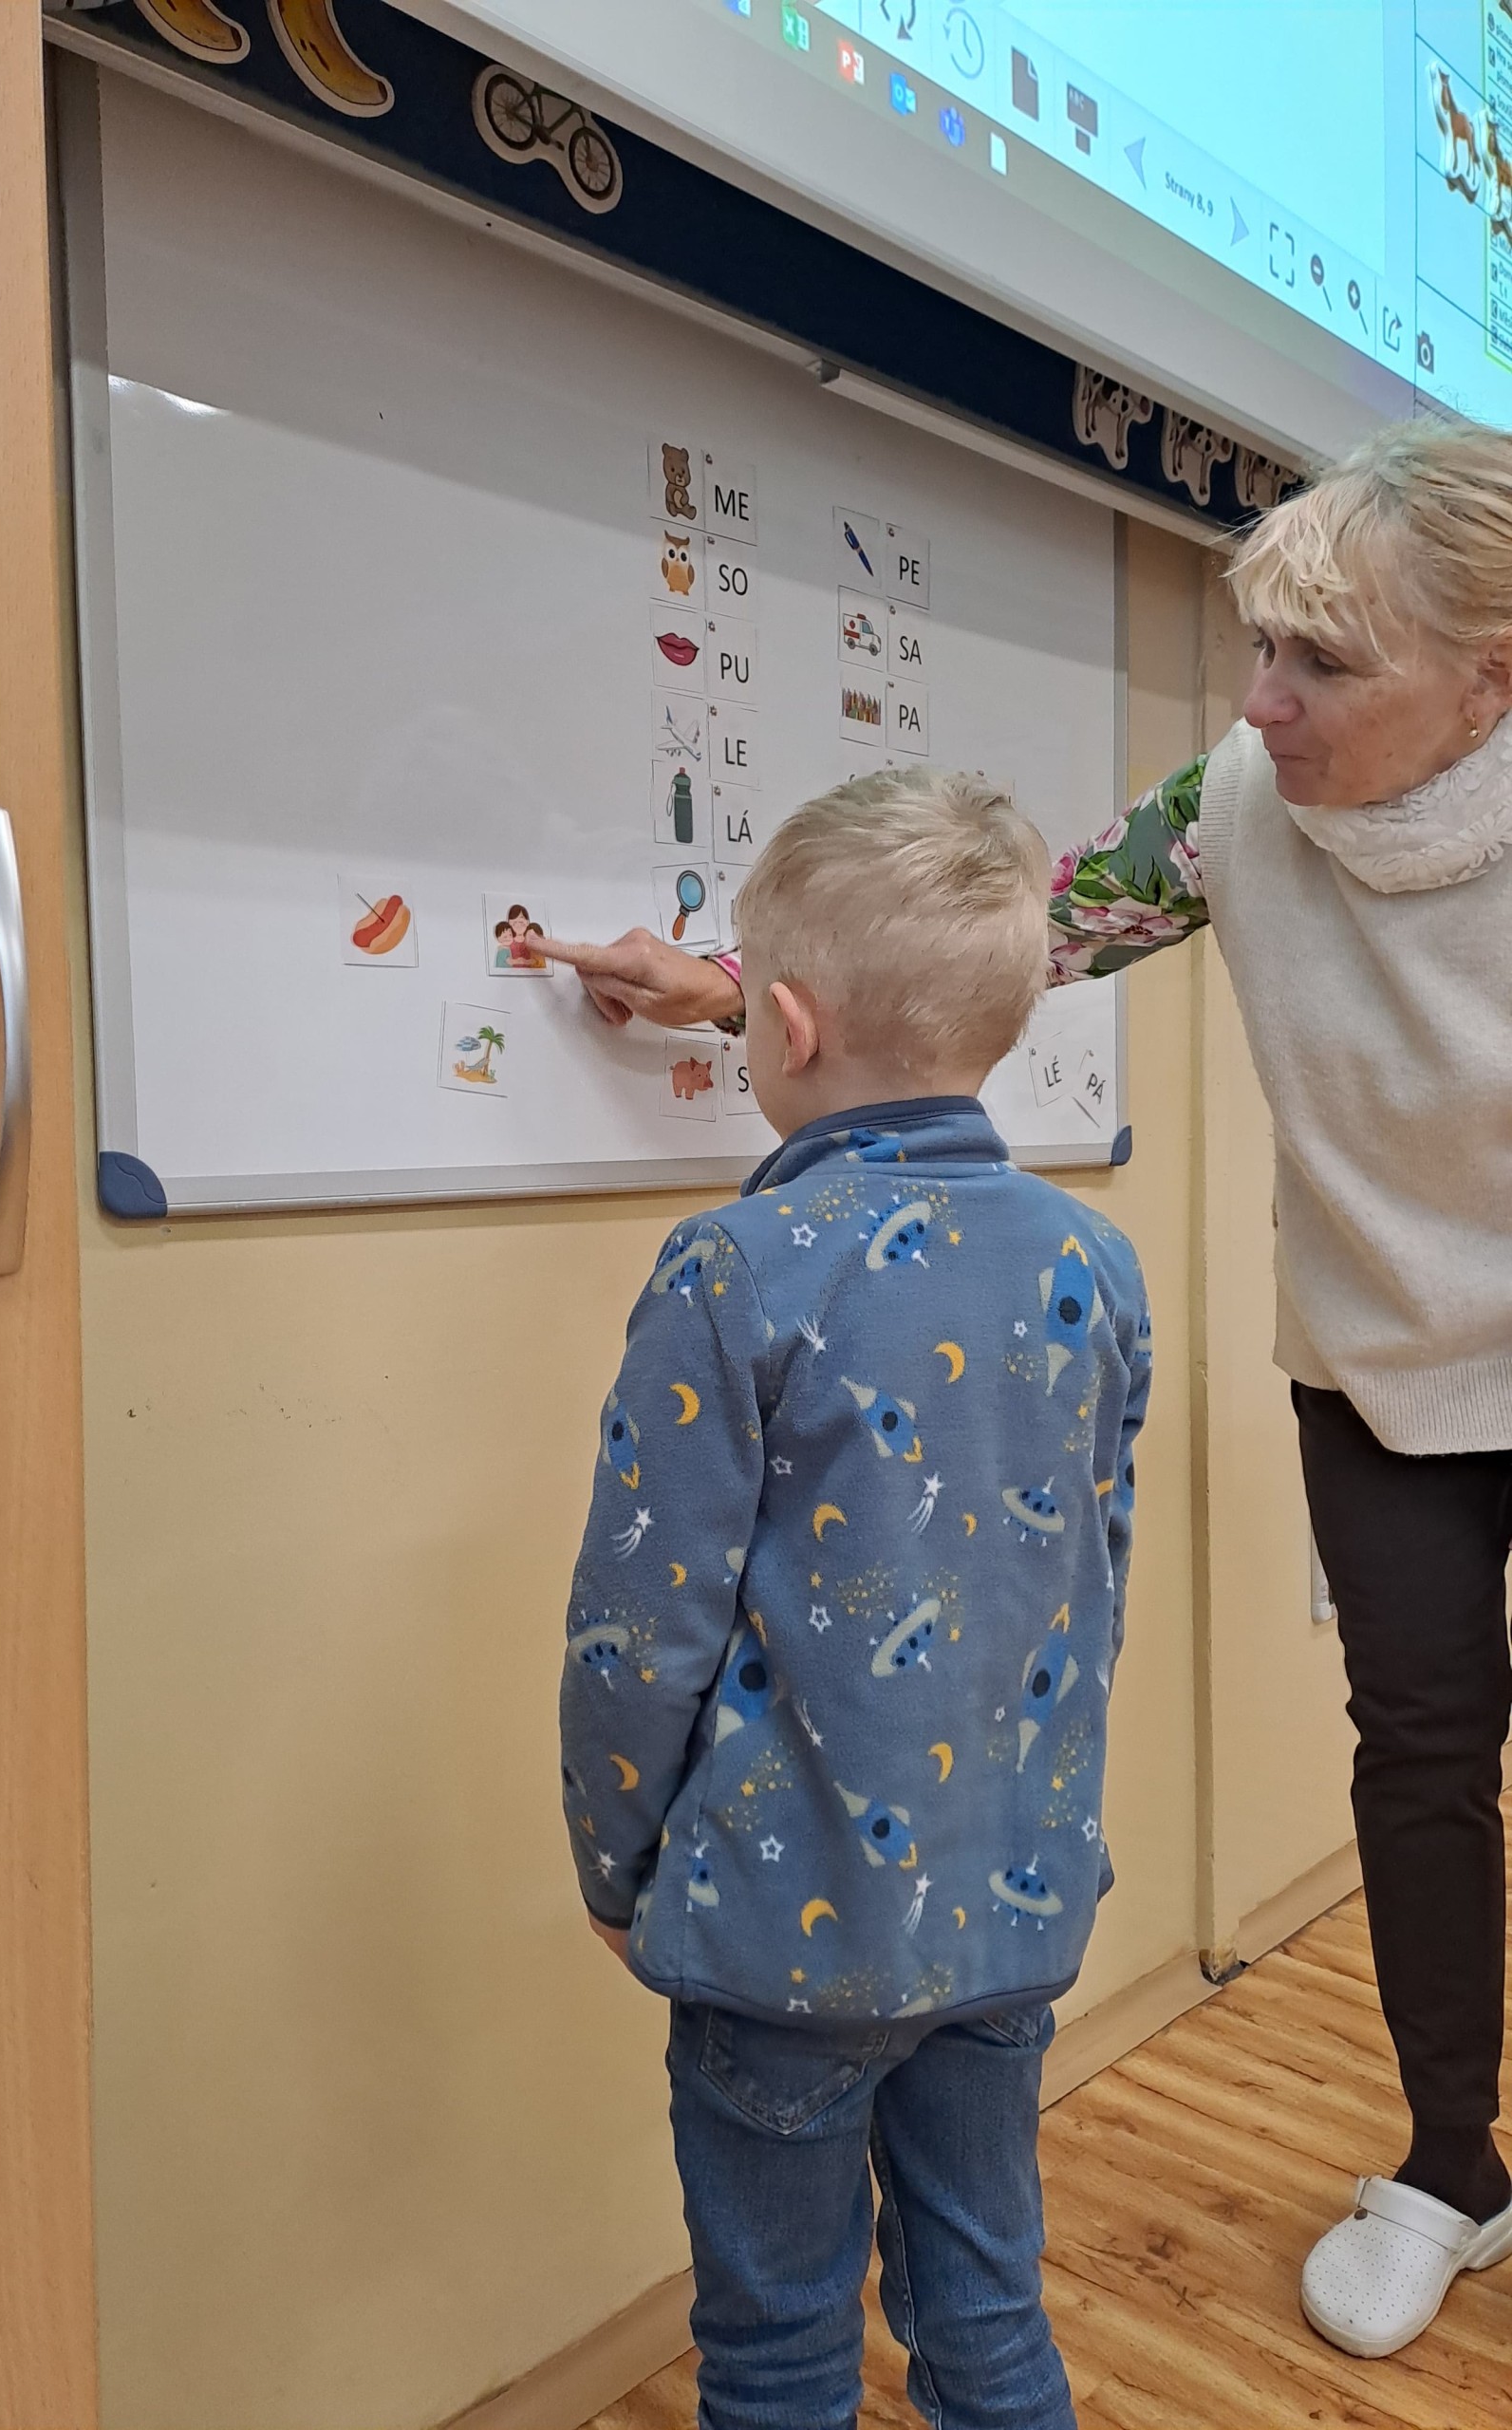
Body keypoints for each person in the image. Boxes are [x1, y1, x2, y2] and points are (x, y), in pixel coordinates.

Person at [540, 419, 1512, 2364]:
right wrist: (733, 988)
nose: (1262, 703)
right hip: (1387, 1361)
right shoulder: (1239, 807)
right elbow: (1010, 941)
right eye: (1257, 649)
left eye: (1323, 664)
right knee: (1420, 1751)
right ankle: (1449, 2165)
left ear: (1488, 681)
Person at [560, 769, 1151, 2430]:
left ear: (787, 1024)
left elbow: (639, 1631)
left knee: (776, 2350)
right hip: (1009, 1913)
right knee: (987, 2309)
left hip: (776, 1942)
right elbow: (1087, 1587)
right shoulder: (1092, 1262)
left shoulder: (733, 1271)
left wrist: (615, 1864)